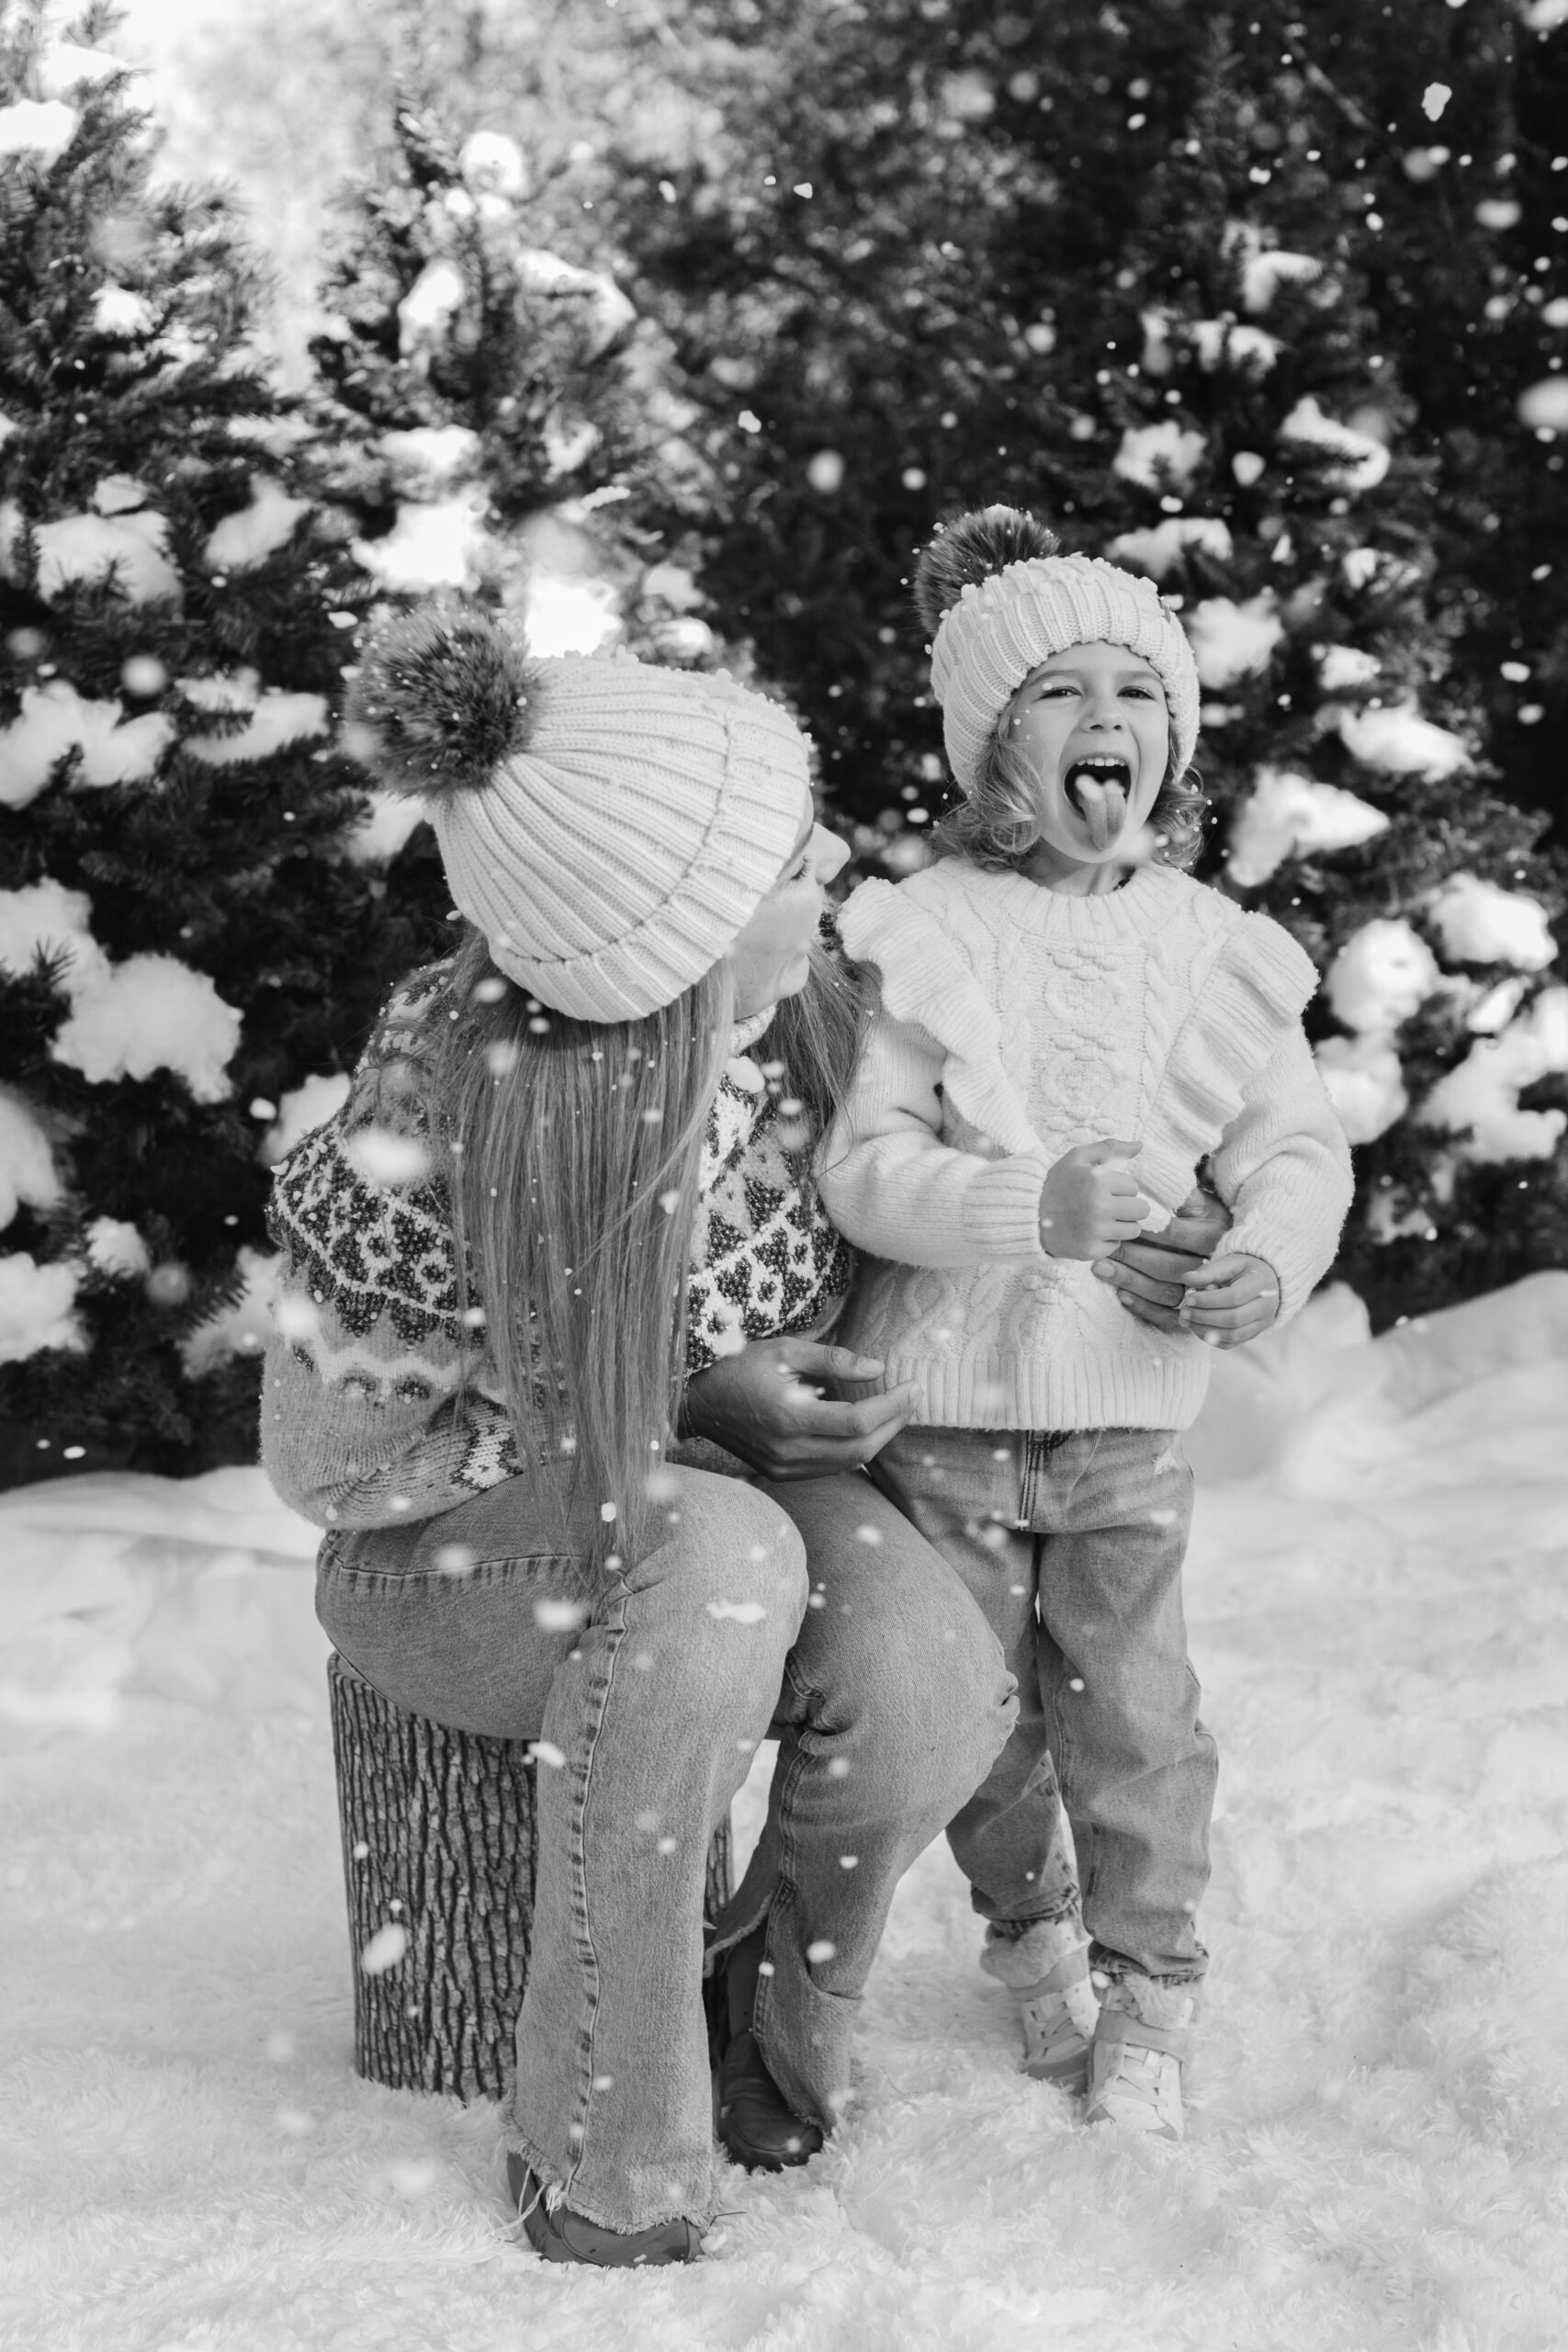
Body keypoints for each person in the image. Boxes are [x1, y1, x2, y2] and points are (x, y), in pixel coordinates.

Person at [260, 599, 1018, 2267]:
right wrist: (674, 1410)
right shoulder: (449, 1104)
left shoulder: (815, 1023)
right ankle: (602, 2152)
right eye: (785, 860)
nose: (831, 859)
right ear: (669, 935)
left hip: (698, 1503)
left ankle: (756, 2008)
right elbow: (330, 1466)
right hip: (440, 1573)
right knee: (727, 1558)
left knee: (923, 1682)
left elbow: (893, 1246)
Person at [818, 507, 1354, 2143]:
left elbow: (1296, 1150)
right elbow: (865, 1169)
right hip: (953, 1419)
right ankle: (1030, 1931)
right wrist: (1017, 1211)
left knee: (1133, 1714)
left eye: (1139, 688)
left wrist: (1265, 1253)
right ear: (991, 746)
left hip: (1128, 1417)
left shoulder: (1211, 950)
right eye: (1056, 691)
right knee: (976, 1721)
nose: (1104, 717)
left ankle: (1151, 1993)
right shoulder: (926, 934)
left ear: (1174, 740)